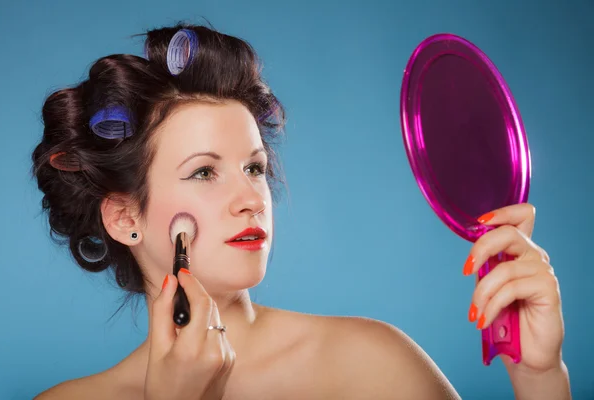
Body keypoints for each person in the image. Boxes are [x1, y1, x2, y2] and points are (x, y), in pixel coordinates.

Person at [32, 23, 571, 399]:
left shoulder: (370, 364)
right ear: (125, 217)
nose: (250, 199)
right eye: (203, 172)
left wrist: (540, 377)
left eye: (255, 167)